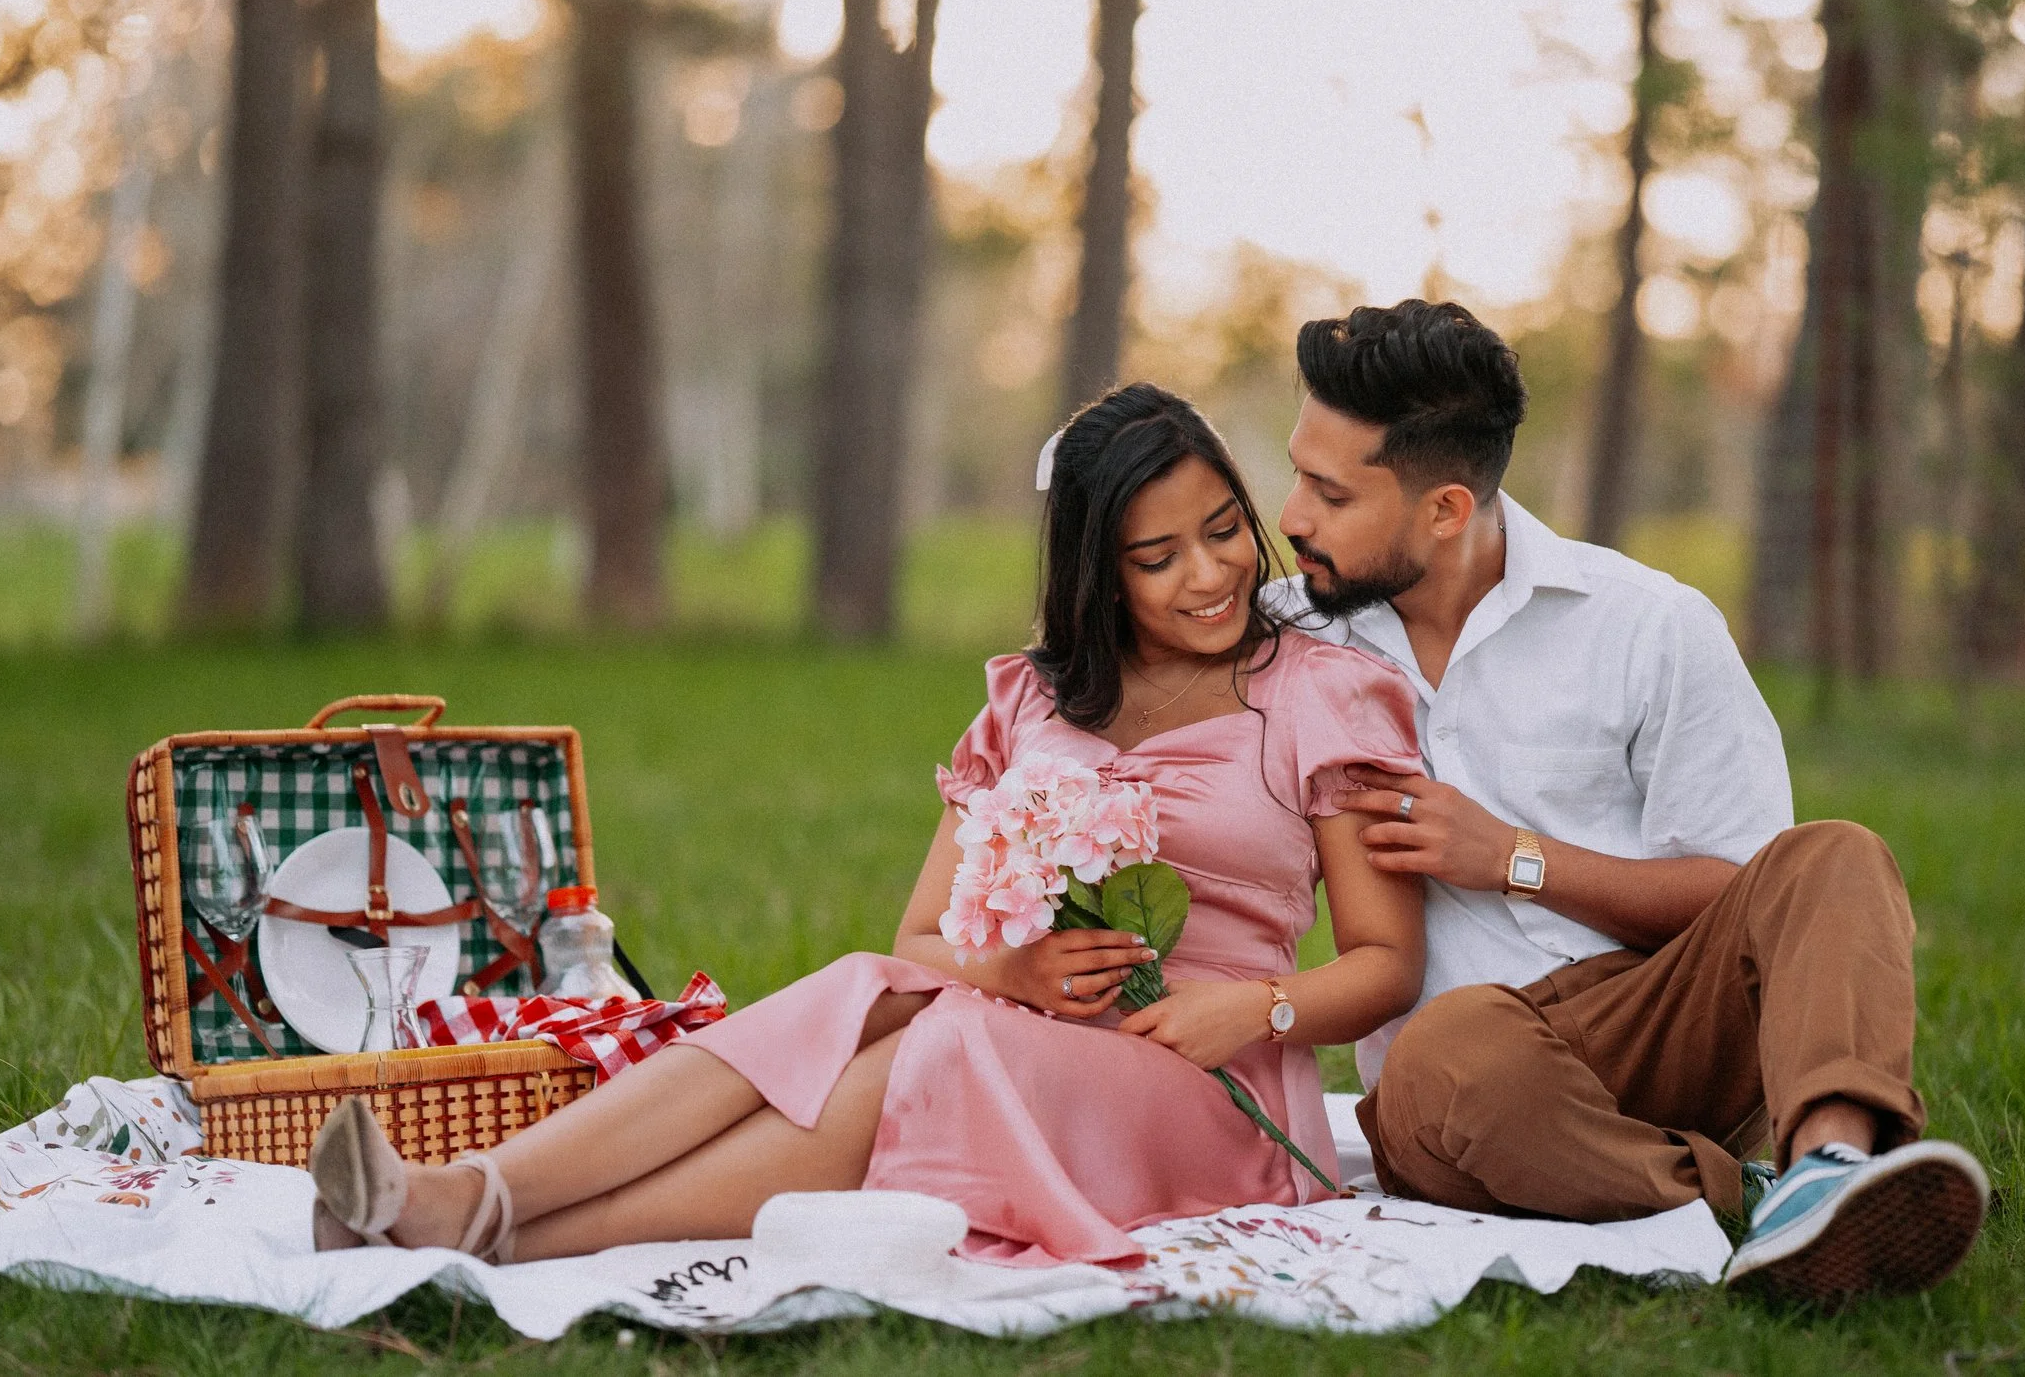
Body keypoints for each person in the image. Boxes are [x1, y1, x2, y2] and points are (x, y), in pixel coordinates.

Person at [310, 383, 1427, 1267]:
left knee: (949, 1037)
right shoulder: (1036, 701)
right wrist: (1022, 970)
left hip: (1211, 1085)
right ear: (1099, 569)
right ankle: (470, 1192)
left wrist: (1256, 1005)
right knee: (860, 987)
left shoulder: (1317, 692)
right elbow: (921, 941)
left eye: (1224, 530)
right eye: (1157, 556)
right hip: (1035, 1020)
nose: (1210, 572)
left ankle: (486, 1219)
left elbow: (1386, 962)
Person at [1263, 299, 1989, 1307]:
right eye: (1298, 473)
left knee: (1834, 854)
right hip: (1467, 1083)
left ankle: (1829, 1157)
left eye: (1328, 492)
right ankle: (1769, 1202)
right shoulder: (1290, 635)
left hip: (1656, 1020)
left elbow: (1743, 895)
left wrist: (1514, 855)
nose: (1291, 514)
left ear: (1444, 509)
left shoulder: (1648, 625)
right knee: (1444, 1052)